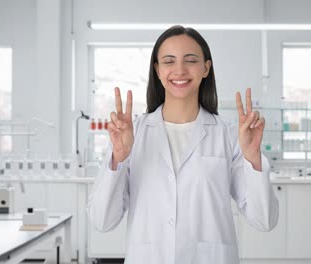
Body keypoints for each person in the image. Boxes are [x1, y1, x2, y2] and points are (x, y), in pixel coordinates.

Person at [87, 25, 279, 264]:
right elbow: (102, 221)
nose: (179, 70)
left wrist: (253, 158)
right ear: (157, 70)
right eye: (169, 61)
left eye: (190, 60)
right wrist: (118, 158)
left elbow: (264, 220)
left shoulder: (229, 136)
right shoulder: (132, 135)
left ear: (206, 68)